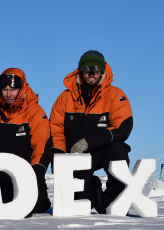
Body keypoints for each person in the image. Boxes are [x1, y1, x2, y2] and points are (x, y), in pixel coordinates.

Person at [49, 50, 133, 213]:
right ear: (80, 72)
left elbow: (122, 128)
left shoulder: (116, 95)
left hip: (102, 152)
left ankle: (113, 198)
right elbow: (55, 130)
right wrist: (58, 157)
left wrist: (89, 141)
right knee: (80, 205)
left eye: (95, 69)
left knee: (118, 149)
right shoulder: (65, 98)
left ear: (102, 71)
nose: (91, 73)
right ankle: (93, 192)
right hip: (75, 155)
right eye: (87, 69)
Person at [0, 68, 51, 215]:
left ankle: (42, 197)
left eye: (13, 90)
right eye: (5, 90)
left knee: (36, 209)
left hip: (27, 173)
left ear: (22, 89)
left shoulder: (34, 111)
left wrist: (36, 173)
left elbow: (41, 144)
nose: (9, 94)